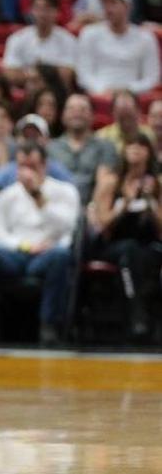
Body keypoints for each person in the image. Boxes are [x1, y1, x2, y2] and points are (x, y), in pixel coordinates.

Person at [0, 141, 79, 344]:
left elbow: (68, 227)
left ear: (45, 165)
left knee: (61, 257)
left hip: (48, 253)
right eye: (22, 166)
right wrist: (23, 246)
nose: (27, 172)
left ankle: (49, 325)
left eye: (32, 166)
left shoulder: (65, 191)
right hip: (15, 254)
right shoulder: (6, 195)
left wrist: (38, 196)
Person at [88, 132, 162, 341]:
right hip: (114, 245)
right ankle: (136, 315)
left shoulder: (156, 184)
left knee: (144, 255)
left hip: (148, 245)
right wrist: (125, 205)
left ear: (149, 152)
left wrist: (151, 202)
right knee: (129, 253)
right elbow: (102, 224)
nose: (135, 149)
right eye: (130, 145)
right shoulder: (112, 182)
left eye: (141, 145)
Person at [76, 0, 160, 95]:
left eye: (113, 3)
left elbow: (151, 78)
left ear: (127, 6)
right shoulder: (89, 33)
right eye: (105, 3)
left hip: (133, 97)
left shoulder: (146, 38)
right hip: (99, 95)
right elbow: (84, 75)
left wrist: (128, 91)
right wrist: (103, 90)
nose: (108, 9)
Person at [48, 94, 118, 205]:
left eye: (83, 109)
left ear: (92, 115)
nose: (77, 113)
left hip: (93, 207)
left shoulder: (105, 146)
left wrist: (94, 207)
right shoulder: (50, 148)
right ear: (63, 116)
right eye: (71, 109)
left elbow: (104, 181)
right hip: (58, 206)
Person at [2, 0, 77, 88]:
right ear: (31, 11)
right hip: (25, 92)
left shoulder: (68, 40)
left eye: (47, 9)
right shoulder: (17, 38)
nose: (42, 14)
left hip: (57, 94)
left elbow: (66, 75)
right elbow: (10, 74)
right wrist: (47, 75)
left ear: (57, 12)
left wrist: (31, 75)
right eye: (38, 9)